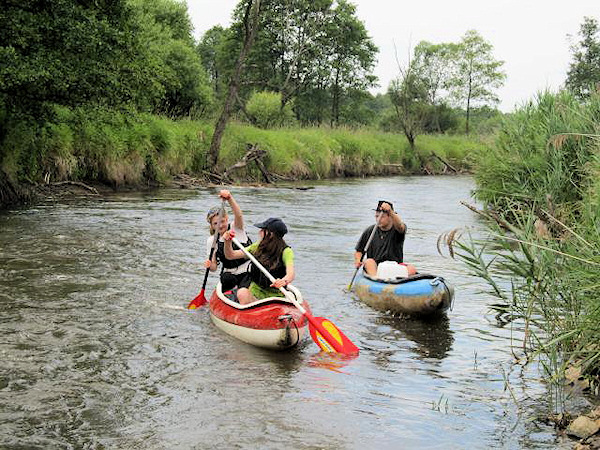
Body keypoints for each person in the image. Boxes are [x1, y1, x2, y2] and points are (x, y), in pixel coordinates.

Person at [222, 217, 294, 305]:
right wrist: (227, 242)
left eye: (262, 230)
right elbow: (231, 255)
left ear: (270, 234)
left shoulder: (286, 251)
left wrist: (284, 281)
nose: (259, 232)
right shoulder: (258, 246)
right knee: (242, 293)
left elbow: (291, 273)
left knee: (291, 295)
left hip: (276, 296)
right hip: (255, 293)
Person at [205, 190, 252, 291]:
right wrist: (209, 265)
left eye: (222, 221)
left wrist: (229, 198)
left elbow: (238, 215)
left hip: (247, 271)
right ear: (212, 226)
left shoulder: (236, 228)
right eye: (216, 224)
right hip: (229, 275)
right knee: (225, 278)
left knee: (245, 287)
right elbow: (214, 268)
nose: (220, 226)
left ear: (227, 219)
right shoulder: (212, 241)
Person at [354, 200, 415, 278]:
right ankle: (376, 281)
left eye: (382, 217)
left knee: (411, 269)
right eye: (376, 216)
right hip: (375, 267)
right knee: (369, 262)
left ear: (390, 217)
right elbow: (359, 250)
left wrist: (390, 211)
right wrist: (358, 260)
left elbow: (400, 226)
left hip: (395, 266)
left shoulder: (397, 230)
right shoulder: (369, 231)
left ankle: (401, 282)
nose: (378, 219)